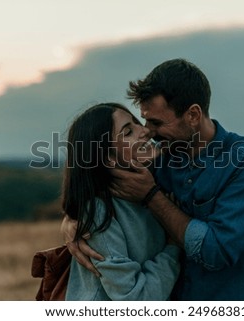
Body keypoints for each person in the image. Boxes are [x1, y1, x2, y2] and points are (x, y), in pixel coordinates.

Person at [64, 58, 244, 300]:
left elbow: (216, 250)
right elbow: (96, 182)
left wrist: (152, 197)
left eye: (156, 122)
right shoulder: (156, 162)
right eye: (143, 120)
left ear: (193, 115)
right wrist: (75, 222)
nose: (147, 131)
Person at [60, 102, 180, 300]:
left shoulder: (160, 183)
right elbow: (133, 301)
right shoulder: (100, 211)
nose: (146, 131)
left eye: (137, 122)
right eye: (128, 132)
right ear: (108, 158)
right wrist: (174, 248)